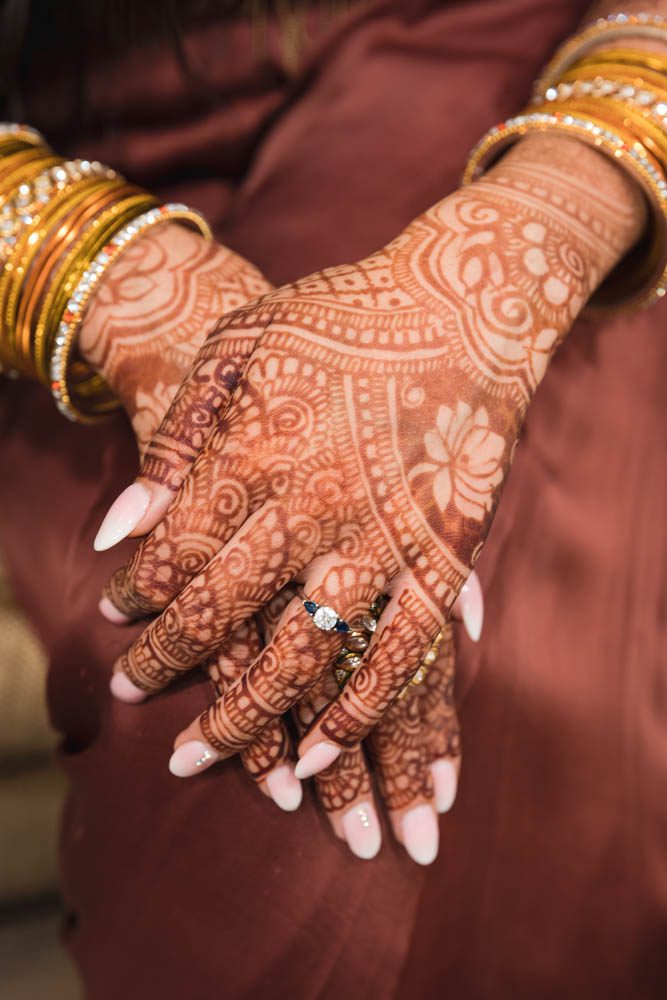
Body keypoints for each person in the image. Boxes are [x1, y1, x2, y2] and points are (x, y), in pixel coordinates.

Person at [0, 1, 665, 996]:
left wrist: (516, 252)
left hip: (512, 83)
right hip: (62, 138)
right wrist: (110, 279)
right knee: (212, 672)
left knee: (455, 660)